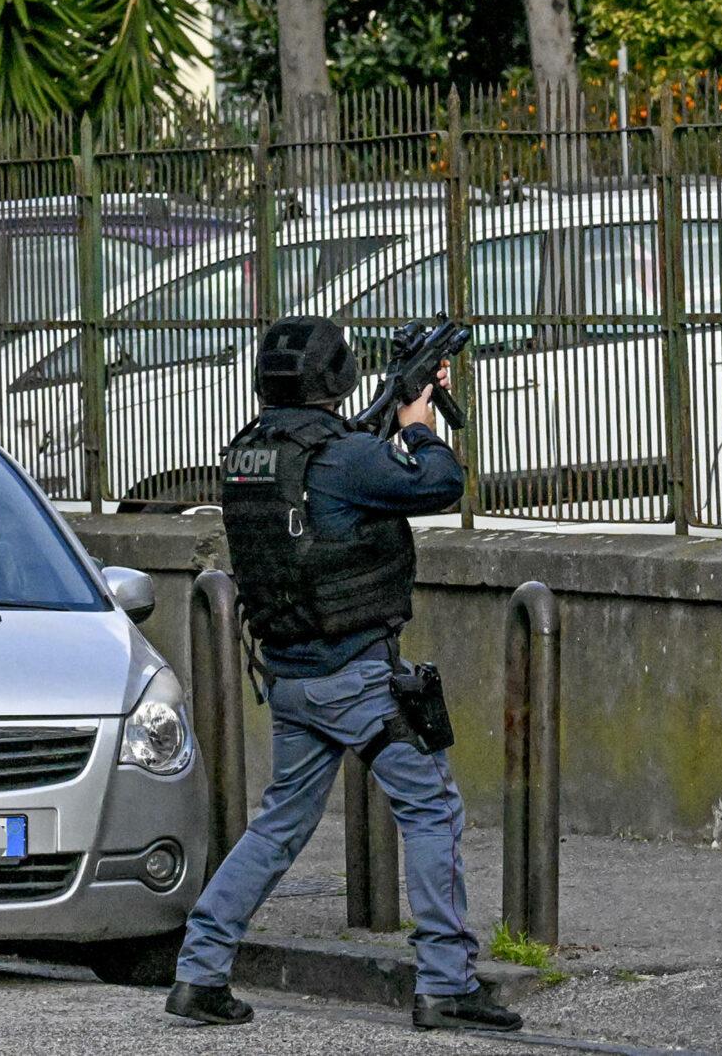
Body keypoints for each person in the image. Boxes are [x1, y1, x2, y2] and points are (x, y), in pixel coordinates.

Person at [163, 315, 521, 1034]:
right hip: (352, 674)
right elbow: (440, 482)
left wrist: (396, 408)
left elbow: (332, 489)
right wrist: (419, 423)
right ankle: (446, 982)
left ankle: (199, 970)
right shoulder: (345, 455)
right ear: (337, 379)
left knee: (280, 825)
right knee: (432, 807)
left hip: (290, 674)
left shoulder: (250, 454)